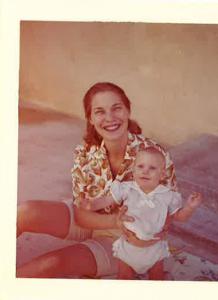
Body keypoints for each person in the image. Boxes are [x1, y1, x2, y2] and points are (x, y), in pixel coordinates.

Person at [16, 82, 182, 279]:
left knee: (51, 264)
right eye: (100, 111)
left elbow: (168, 211)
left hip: (126, 241)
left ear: (128, 111)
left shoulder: (155, 156)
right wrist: (112, 219)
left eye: (116, 108)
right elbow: (81, 216)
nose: (110, 118)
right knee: (26, 212)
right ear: (91, 119)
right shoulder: (85, 153)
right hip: (91, 219)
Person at [80, 146, 202, 280]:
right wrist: (91, 204)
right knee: (124, 277)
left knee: (156, 277)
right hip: (129, 247)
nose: (145, 171)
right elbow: (108, 200)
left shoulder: (167, 195)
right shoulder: (127, 188)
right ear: (133, 170)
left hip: (154, 248)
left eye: (152, 168)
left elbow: (179, 217)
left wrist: (190, 207)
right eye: (141, 166)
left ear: (162, 175)